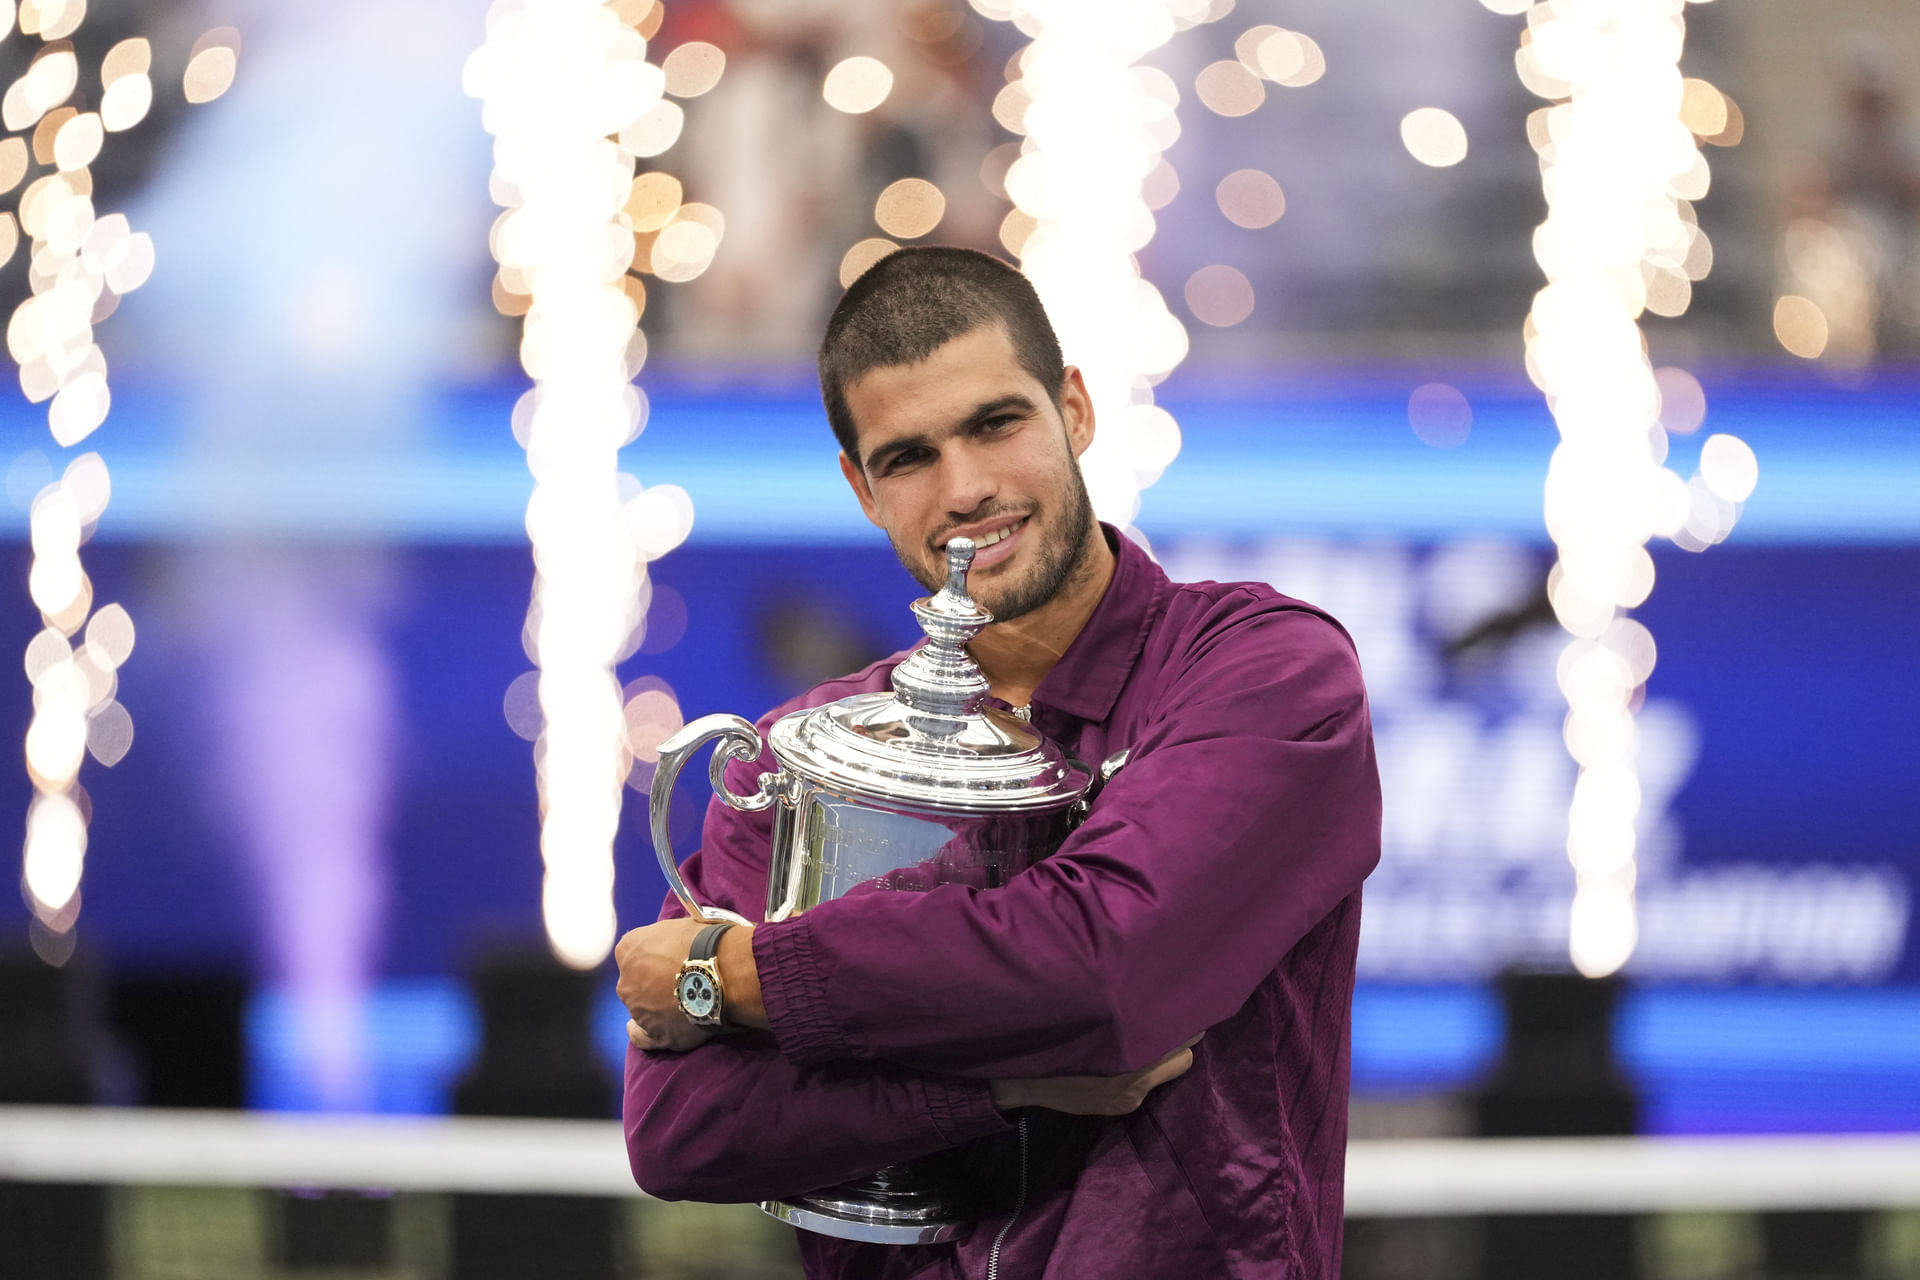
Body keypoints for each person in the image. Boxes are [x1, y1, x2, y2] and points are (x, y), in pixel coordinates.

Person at [615, 247, 1381, 1278]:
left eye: (996, 423)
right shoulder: (806, 749)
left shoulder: (1264, 669)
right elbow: (681, 1125)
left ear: (1075, 410)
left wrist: (736, 974)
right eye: (908, 457)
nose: (967, 489)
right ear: (862, 489)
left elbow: (1106, 968)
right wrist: (1001, 1086)